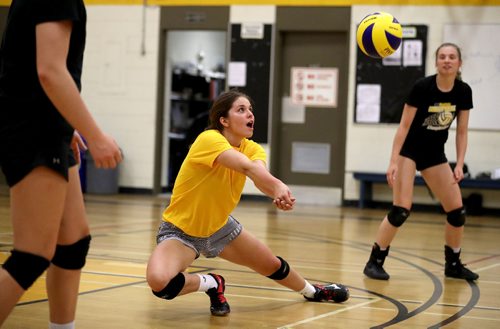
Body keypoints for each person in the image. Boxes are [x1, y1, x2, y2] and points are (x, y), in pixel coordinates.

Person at [146, 90, 349, 316]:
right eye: (241, 110)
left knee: (271, 265)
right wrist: (279, 185)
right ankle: (212, 283)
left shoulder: (252, 147)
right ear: (224, 120)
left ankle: (314, 291)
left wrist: (276, 192)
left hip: (220, 227)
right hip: (181, 232)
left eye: (250, 110)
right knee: (159, 282)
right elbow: (247, 168)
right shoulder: (209, 139)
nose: (250, 114)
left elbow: (258, 175)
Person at [0, 0, 122, 328]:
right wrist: (94, 134)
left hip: (49, 128)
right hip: (33, 130)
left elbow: (25, 62)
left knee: (72, 243)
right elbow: (50, 71)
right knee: (31, 256)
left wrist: (66, 126)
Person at [363, 43, 479, 281]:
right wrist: (393, 161)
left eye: (452, 57)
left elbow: (462, 132)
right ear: (436, 61)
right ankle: (374, 261)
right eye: (442, 57)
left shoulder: (463, 91)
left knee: (457, 212)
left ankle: (453, 264)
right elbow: (404, 125)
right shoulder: (422, 87)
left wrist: (459, 164)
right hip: (410, 151)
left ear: (459, 63)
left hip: (435, 153)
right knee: (401, 210)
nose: (447, 60)